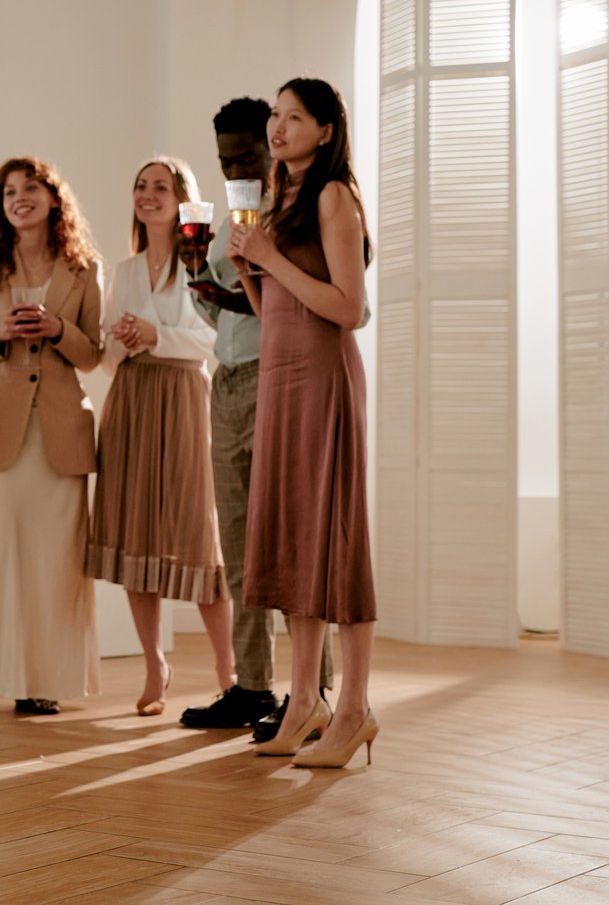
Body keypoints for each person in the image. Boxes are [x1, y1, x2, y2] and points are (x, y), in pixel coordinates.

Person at [227, 77, 377, 769]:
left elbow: (349, 309)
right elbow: (277, 312)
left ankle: (353, 709)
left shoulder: (333, 196)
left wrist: (270, 260)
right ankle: (302, 703)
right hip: (282, 380)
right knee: (292, 542)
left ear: (325, 129)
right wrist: (250, 270)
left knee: (334, 540)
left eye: (294, 117)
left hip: (324, 380)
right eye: (276, 117)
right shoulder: (277, 201)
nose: (278, 128)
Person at [177, 98, 334, 741]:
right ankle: (250, 684)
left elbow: (302, 302)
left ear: (271, 146)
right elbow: (232, 317)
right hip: (230, 382)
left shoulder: (294, 215)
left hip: (281, 381)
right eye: (224, 159)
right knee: (238, 544)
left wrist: (244, 289)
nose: (235, 167)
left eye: (244, 155)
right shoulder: (223, 228)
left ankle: (313, 691)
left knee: (293, 542)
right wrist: (207, 292)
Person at [0, 157, 103, 716]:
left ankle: (43, 683)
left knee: (56, 566)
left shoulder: (84, 269)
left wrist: (60, 330)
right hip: (2, 435)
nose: (20, 198)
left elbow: (96, 352)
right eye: (9, 191)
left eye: (31, 188)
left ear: (54, 199)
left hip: (61, 436)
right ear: (1, 205)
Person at [86, 157, 233, 717]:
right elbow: (107, 360)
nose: (148, 195)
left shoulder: (204, 262)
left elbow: (214, 342)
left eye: (161, 187)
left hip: (185, 400)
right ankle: (154, 664)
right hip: (131, 401)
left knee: (198, 536)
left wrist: (156, 333)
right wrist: (123, 338)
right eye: (141, 186)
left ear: (181, 199)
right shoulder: (122, 271)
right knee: (136, 531)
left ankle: (228, 671)